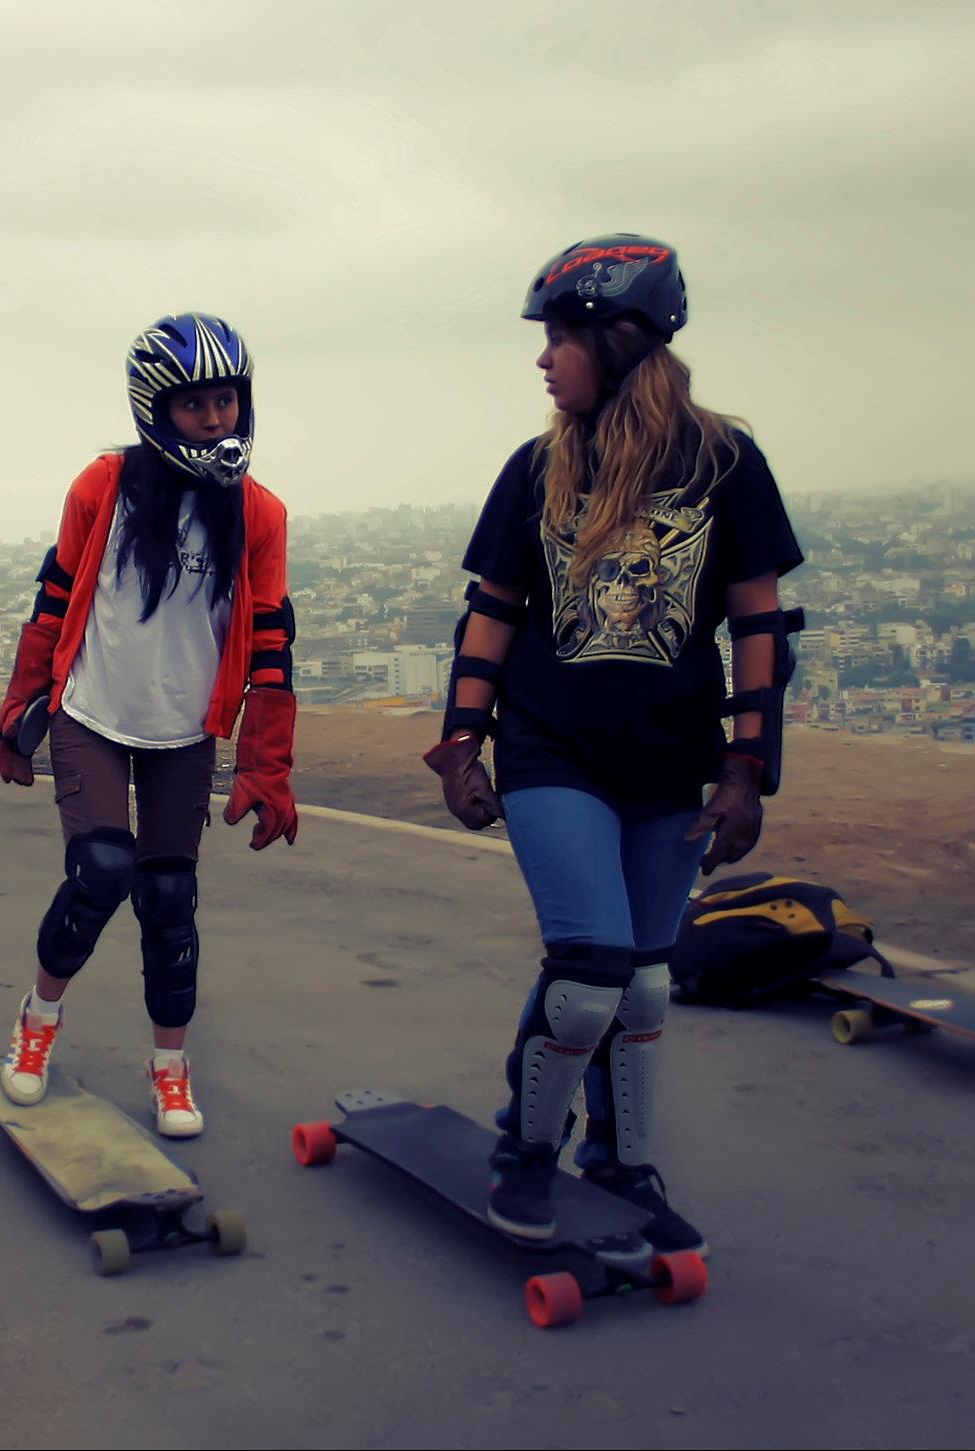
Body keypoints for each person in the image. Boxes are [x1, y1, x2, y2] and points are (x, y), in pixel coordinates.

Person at [427, 235, 804, 1251]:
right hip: (551, 748)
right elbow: (491, 610)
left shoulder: (723, 463)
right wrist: (463, 741)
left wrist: (744, 770)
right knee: (590, 966)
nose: (543, 359)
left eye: (559, 338)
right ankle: (523, 1147)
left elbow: (759, 625)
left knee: (641, 981)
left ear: (619, 338)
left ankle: (620, 1161)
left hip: (668, 759)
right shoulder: (538, 467)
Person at [0, 312, 298, 1138]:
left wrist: (268, 764)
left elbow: (271, 642)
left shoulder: (259, 514)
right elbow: (55, 596)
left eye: (227, 401)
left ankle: (170, 1068)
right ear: (155, 408)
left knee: (169, 897)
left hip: (183, 729)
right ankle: (36, 1025)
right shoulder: (104, 486)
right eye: (195, 404)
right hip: (92, 711)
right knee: (99, 870)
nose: (215, 419)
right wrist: (21, 703)